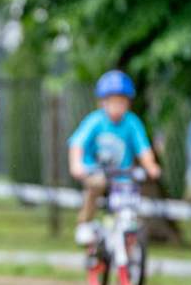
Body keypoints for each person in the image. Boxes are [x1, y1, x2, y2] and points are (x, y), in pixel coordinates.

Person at [68, 70, 161, 245]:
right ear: (103, 102)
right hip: (96, 171)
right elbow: (77, 144)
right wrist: (76, 164)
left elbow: (143, 149)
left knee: (131, 202)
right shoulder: (95, 121)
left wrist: (151, 166)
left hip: (122, 175)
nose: (118, 106)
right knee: (96, 185)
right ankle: (85, 223)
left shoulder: (132, 123)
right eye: (113, 102)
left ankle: (129, 239)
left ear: (128, 103)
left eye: (122, 102)